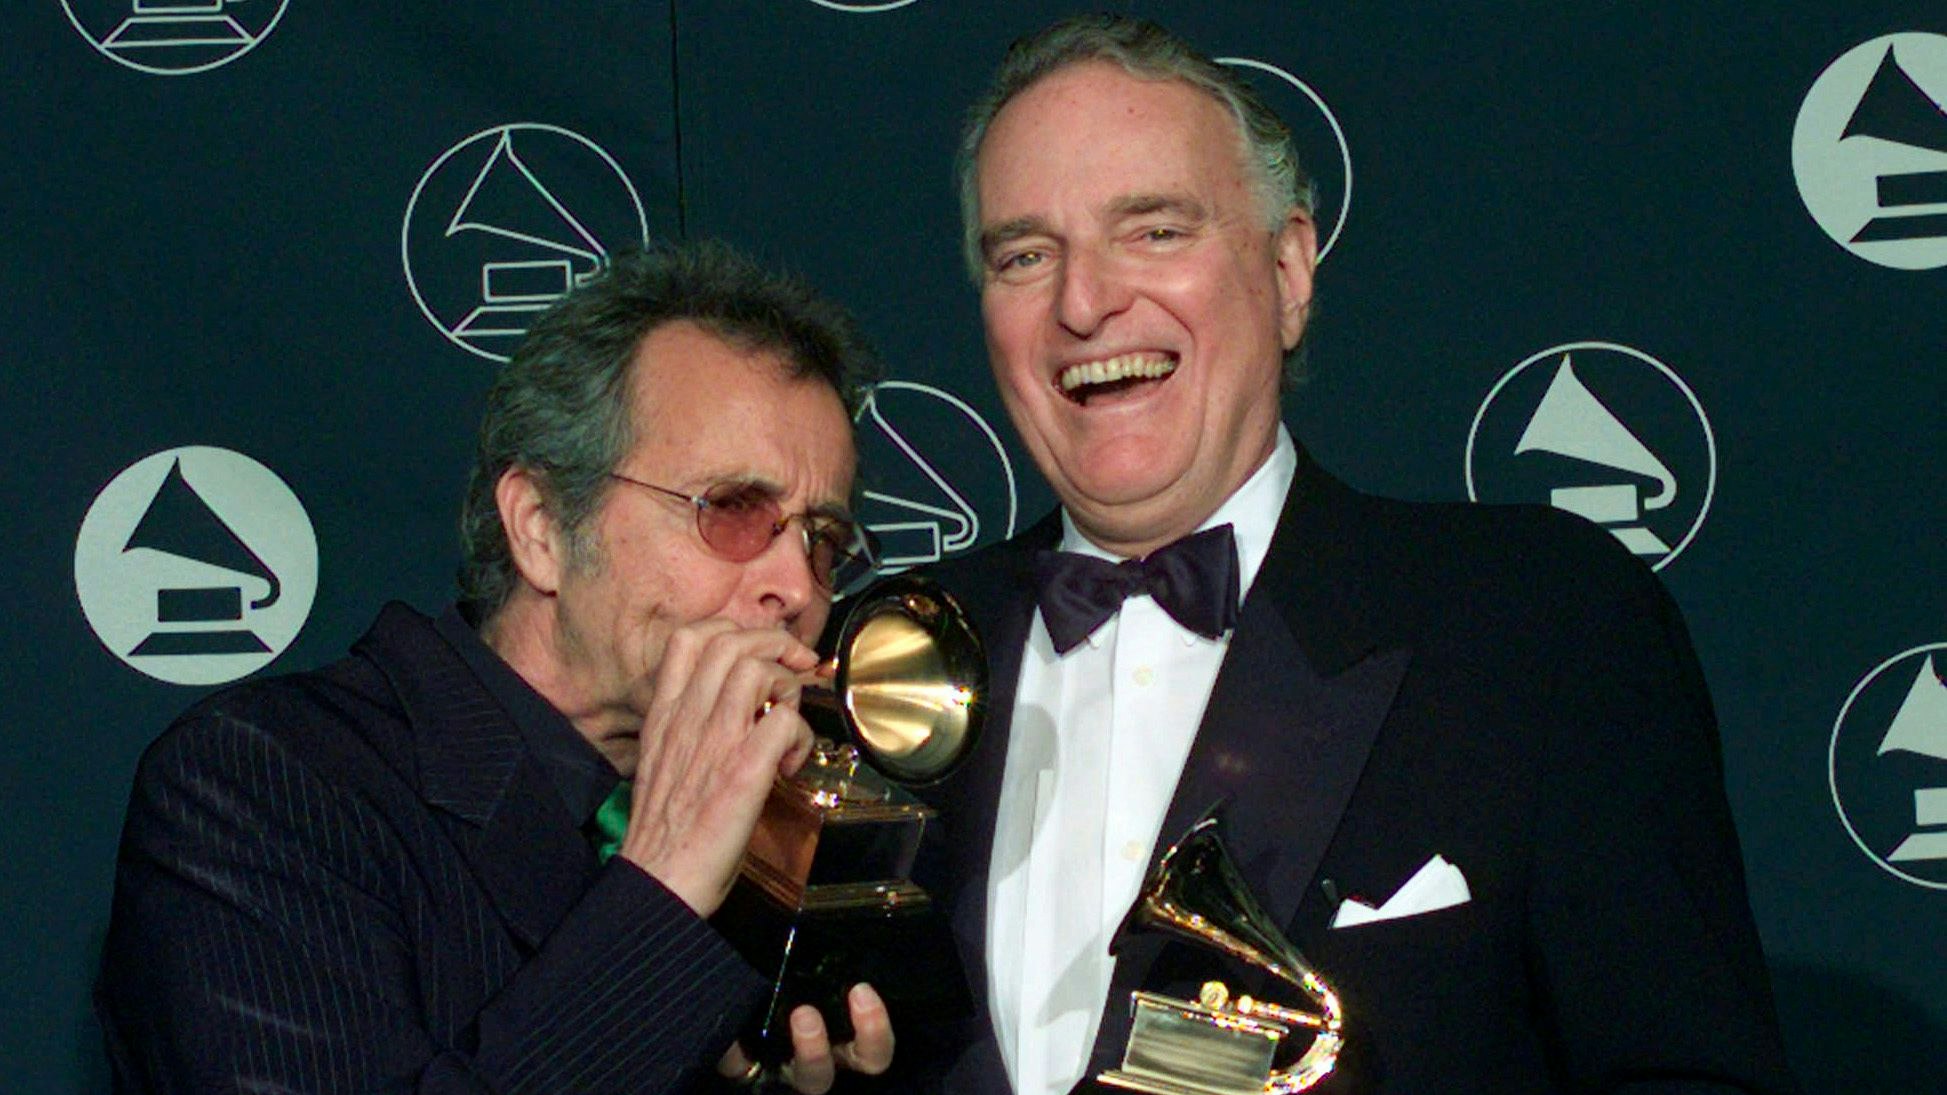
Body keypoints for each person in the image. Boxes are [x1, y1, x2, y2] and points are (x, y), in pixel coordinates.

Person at [907, 14, 1801, 1094]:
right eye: (1026, 254)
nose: (1084, 303)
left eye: (1153, 232)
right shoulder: (892, 658)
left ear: (1288, 270)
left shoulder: (1540, 625)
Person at [97, 241, 897, 1093]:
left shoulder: (794, 830)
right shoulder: (260, 787)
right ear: (542, 526)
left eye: (823, 539)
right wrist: (665, 882)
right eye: (733, 511)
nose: (795, 585)